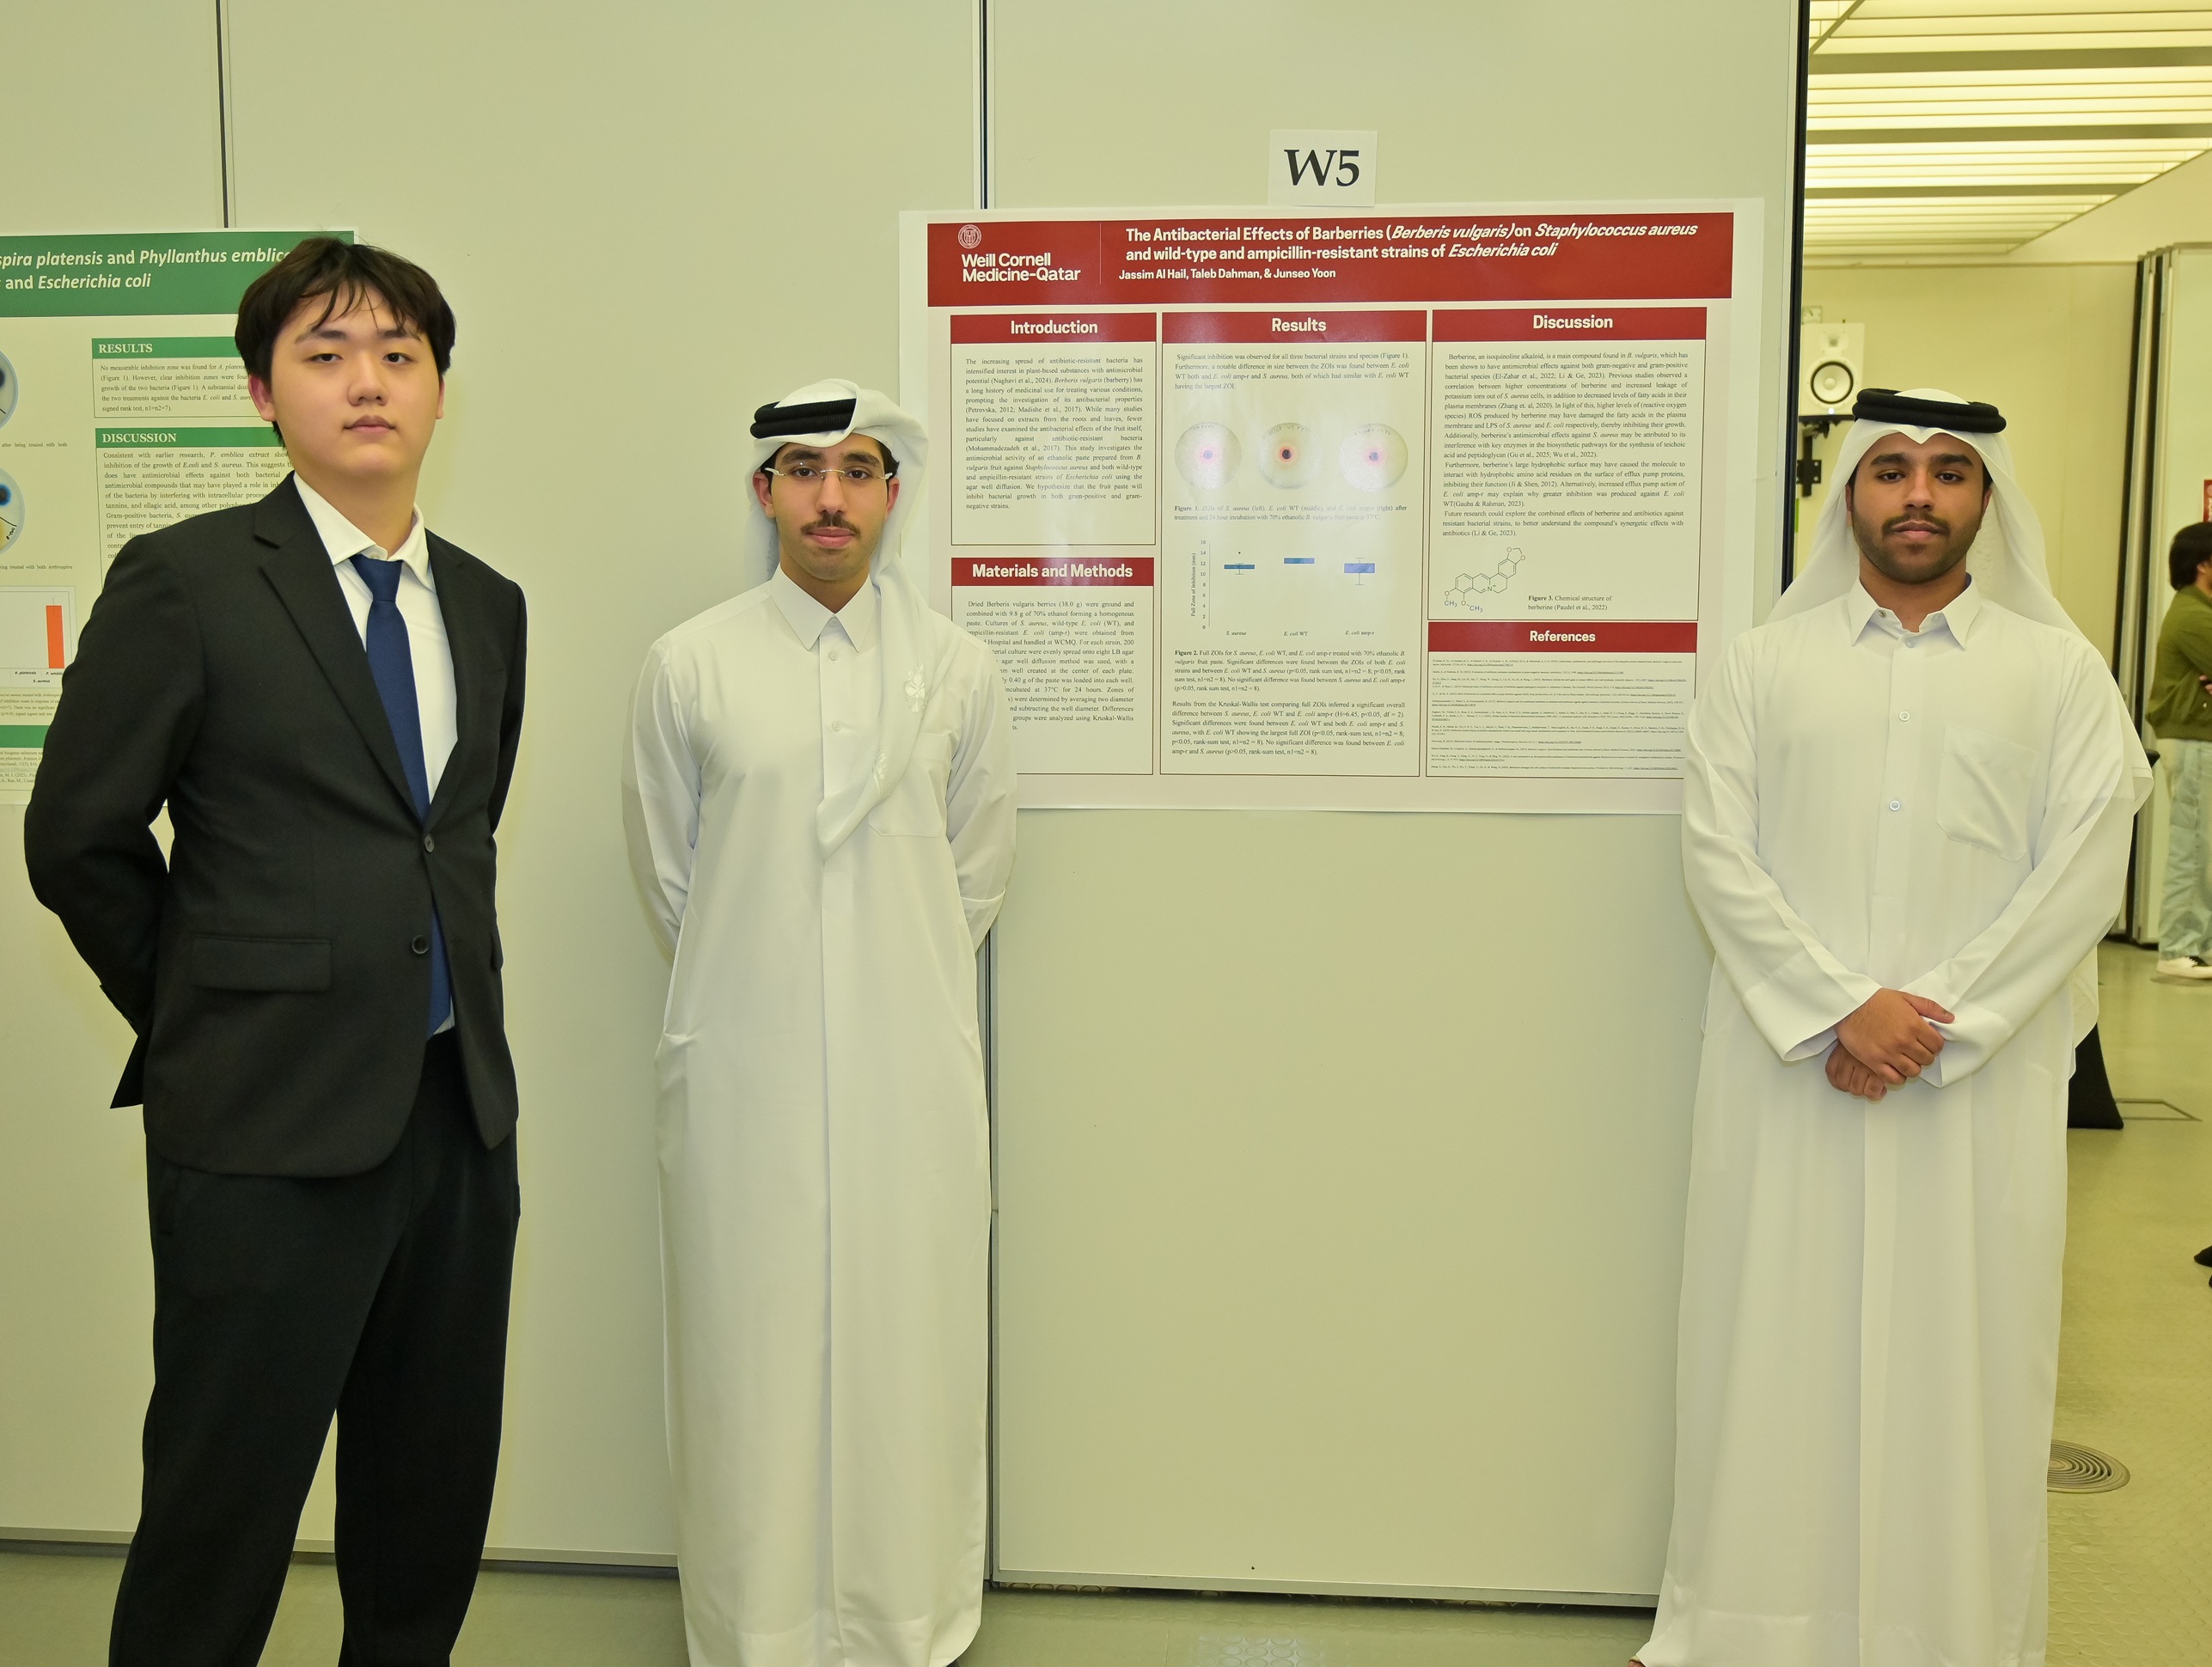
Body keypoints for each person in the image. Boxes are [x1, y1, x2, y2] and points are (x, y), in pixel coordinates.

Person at [24, 237, 528, 1666]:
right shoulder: (187, 581)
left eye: (399, 356)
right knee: (221, 1514)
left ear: (439, 389)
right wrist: (207, 1009)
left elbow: (449, 836)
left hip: (455, 1120)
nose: (368, 382)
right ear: (261, 392)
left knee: (427, 1506)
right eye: (325, 354)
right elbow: (77, 836)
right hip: (258, 1124)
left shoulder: (487, 603)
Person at [1637, 388, 2150, 1667]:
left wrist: (1932, 1025)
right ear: (1850, 495)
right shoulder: (1762, 666)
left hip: (1970, 1090)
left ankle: (1948, 1635)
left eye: (1949, 472)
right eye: (1891, 470)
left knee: (1963, 1362)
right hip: (1791, 1077)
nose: (1919, 494)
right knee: (1770, 1349)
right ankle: (1746, 1632)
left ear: (1987, 498)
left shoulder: (2058, 673)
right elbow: (1717, 854)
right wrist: (1838, 1008)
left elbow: (2083, 871)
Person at [623, 381, 1016, 1667]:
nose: (830, 498)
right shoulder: (690, 664)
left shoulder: (958, 670)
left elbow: (972, 876)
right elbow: (672, 878)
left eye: (857, 470)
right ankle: (759, 1626)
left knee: (910, 1341)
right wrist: (772, 986)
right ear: (764, 492)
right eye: (802, 470)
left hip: (910, 1071)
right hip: (744, 1069)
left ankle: (905, 1618)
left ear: (893, 494)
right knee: (748, 1348)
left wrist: (876, 985)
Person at [2147, 522, 2212, 978]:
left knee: (2204, 847)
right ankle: (2178, 947)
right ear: (2204, 564)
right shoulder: (2193, 614)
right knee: (2194, 846)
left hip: (2198, 741)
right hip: (2194, 742)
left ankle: (2196, 945)